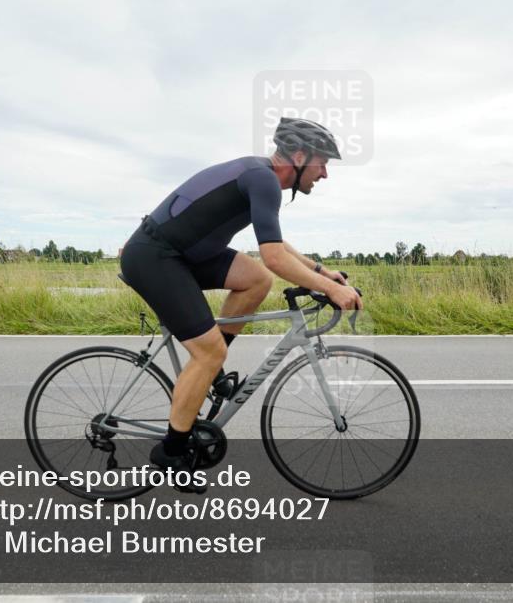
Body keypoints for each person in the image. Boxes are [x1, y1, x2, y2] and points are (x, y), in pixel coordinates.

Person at [119, 117, 364, 493]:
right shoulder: (263, 178)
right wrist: (329, 290)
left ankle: (211, 375)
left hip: (184, 256)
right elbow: (275, 258)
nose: (326, 174)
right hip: (155, 257)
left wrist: (321, 271)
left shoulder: (262, 177)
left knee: (256, 281)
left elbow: (276, 248)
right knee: (208, 351)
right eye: (323, 163)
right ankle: (171, 452)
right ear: (299, 156)